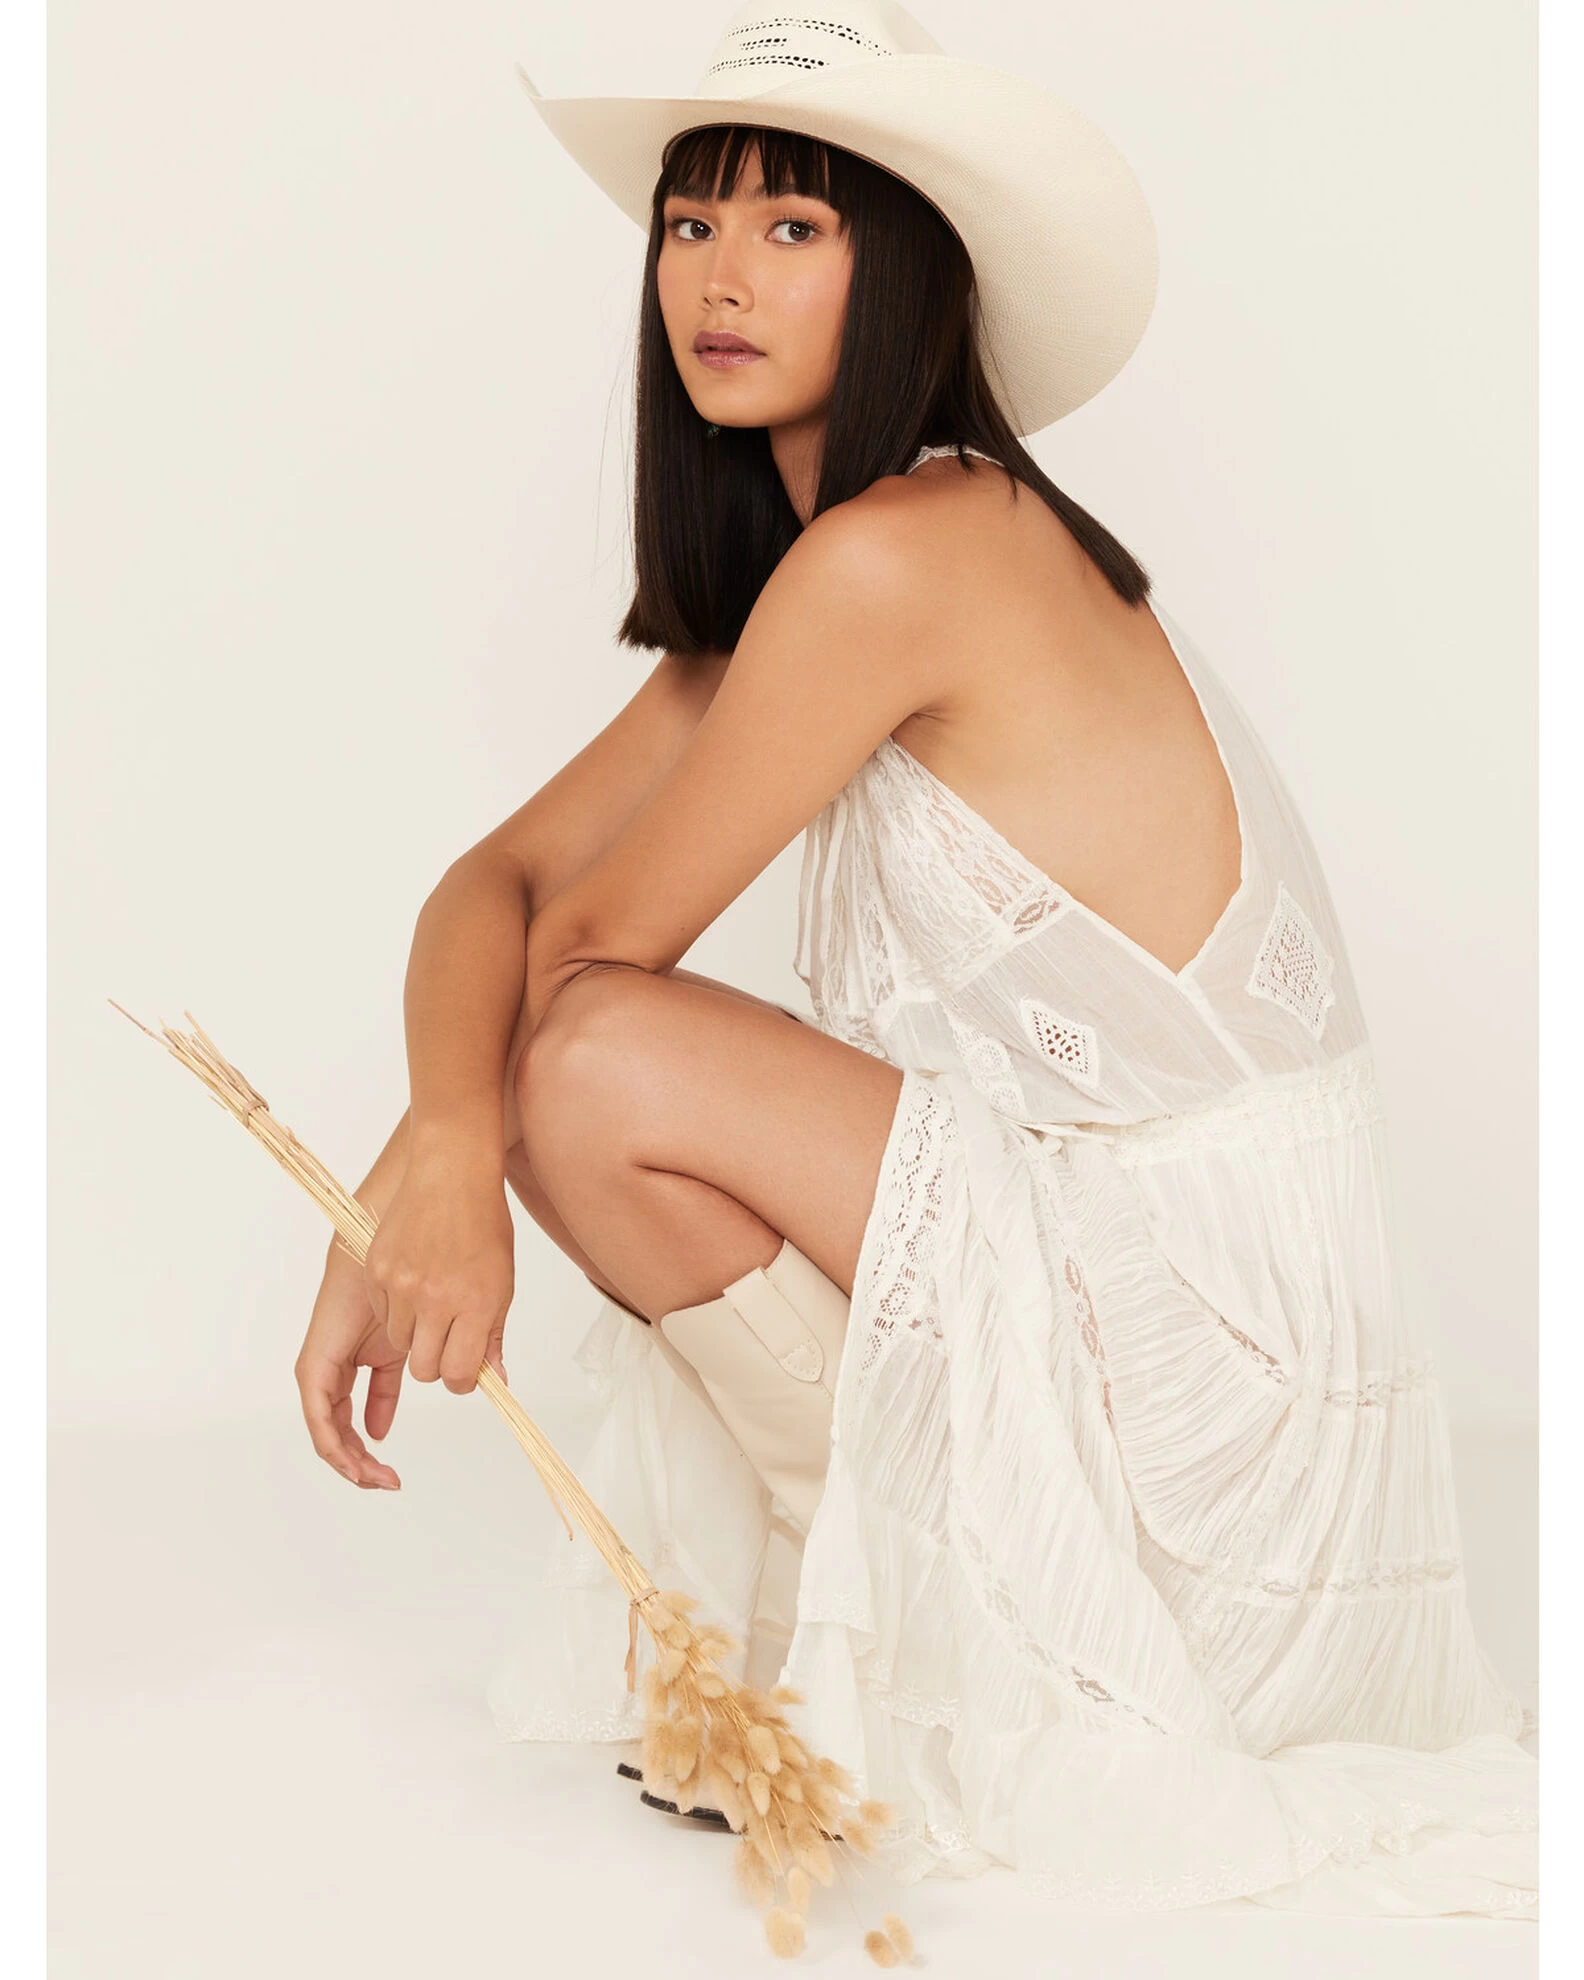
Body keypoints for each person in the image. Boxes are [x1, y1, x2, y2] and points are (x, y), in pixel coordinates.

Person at [293, 2, 1537, 1918]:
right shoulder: (804, 585)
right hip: (1096, 1248)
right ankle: (882, 1592)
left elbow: (589, 957)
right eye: (692, 225)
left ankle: (926, 1620)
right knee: (546, 1070)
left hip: (1215, 1363)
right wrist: (441, 1154)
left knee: (589, 1064)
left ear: (910, 275)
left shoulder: (909, 554)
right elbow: (496, 885)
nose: (719, 276)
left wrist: (415, 1183)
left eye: (795, 226)